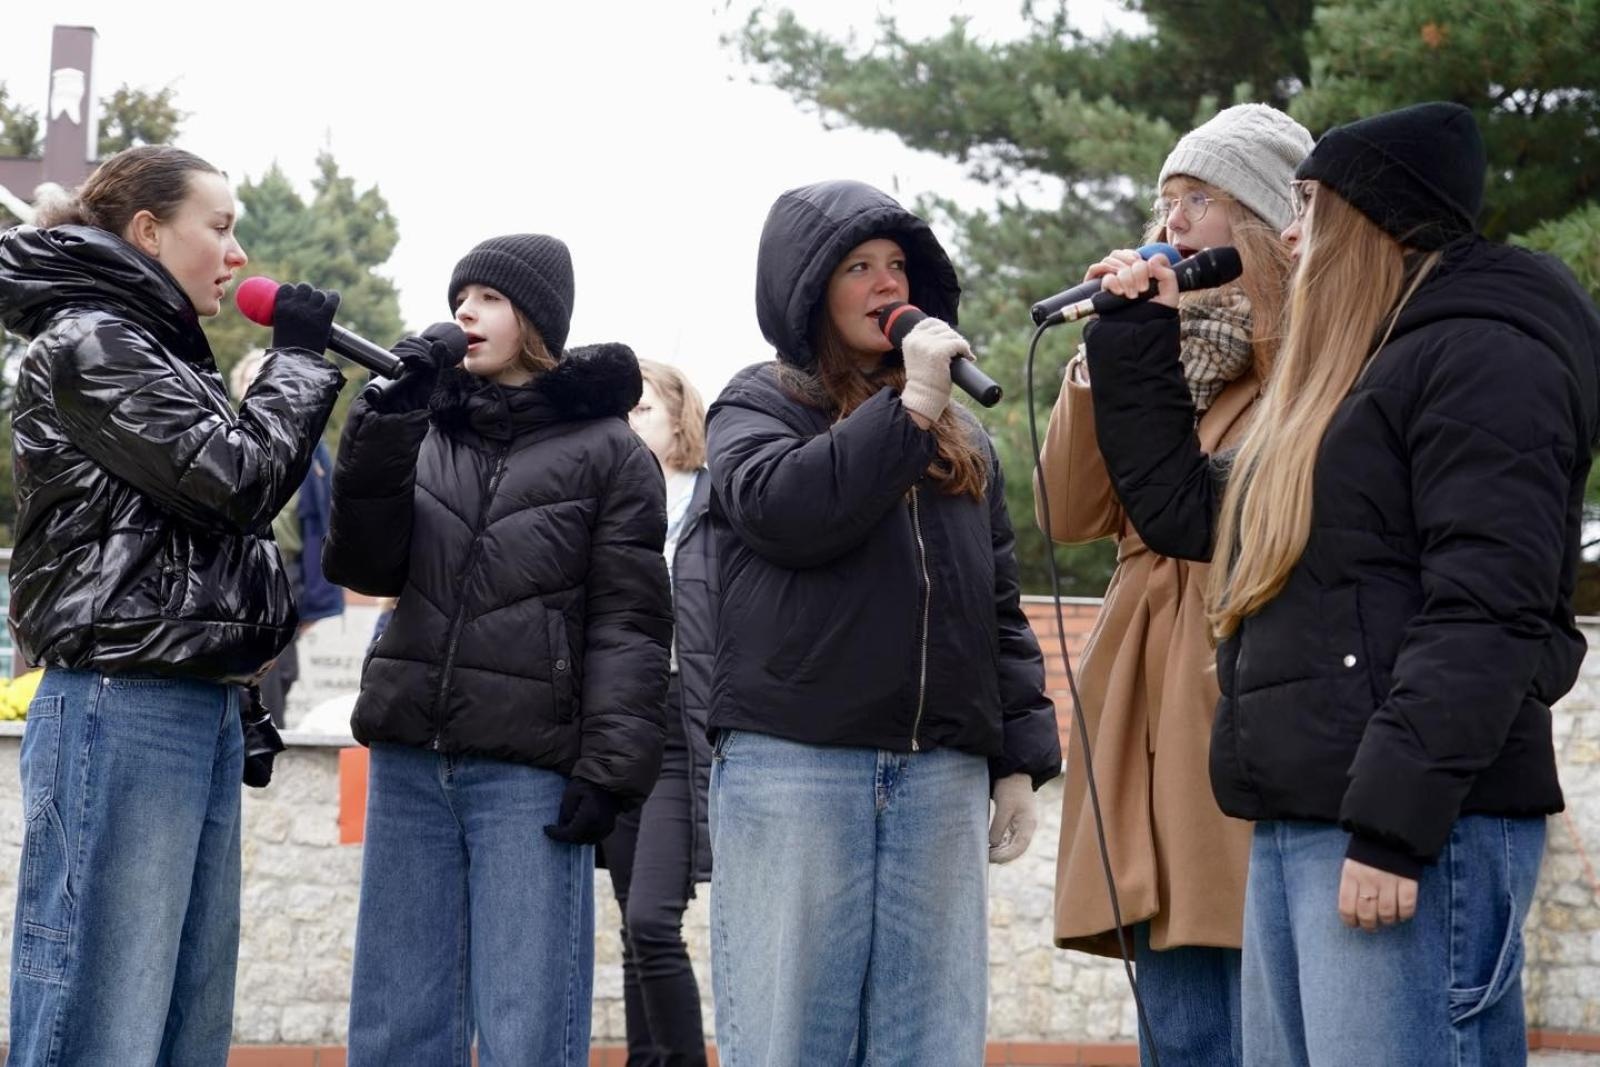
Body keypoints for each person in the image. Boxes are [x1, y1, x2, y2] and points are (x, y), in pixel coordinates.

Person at [1082, 102, 1600, 1066]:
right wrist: (1136, 340)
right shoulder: (1355, 381)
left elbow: (1487, 609)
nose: (1287, 230)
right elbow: (1197, 517)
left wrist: (1394, 829)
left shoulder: (1485, 354)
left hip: (1405, 831)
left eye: (1310, 206)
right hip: (1305, 820)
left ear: (1376, 221)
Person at [0, 144, 346, 1064]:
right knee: (103, 1016)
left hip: (188, 704)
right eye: (221, 227)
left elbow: (207, 540)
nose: (238, 255)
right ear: (149, 232)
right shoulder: (91, 343)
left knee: (185, 1026)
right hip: (122, 702)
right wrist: (299, 362)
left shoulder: (157, 354)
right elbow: (236, 481)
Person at [706, 179, 1061, 1066]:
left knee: (930, 1043)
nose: (883, 284)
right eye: (857, 267)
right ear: (808, 289)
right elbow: (790, 512)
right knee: (792, 1040)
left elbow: (997, 606)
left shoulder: (965, 439)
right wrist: (907, 411)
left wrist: (1017, 756)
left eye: (897, 266)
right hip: (798, 768)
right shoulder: (757, 403)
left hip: (937, 777)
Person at [323, 233, 672, 1066]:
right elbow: (362, 563)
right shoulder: (424, 426)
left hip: (528, 773)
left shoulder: (612, 453)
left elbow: (630, 623)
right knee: (395, 1022)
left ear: (538, 321)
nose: (464, 313)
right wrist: (383, 418)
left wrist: (609, 771)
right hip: (410, 758)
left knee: (528, 1024)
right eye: (459, 297)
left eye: (488, 298)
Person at [1035, 104, 1311, 1067]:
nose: (1175, 220)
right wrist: (1103, 359)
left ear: (1271, 219)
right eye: (1167, 199)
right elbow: (1070, 510)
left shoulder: (1309, 355)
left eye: (1202, 199)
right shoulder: (1163, 353)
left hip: (1229, 696)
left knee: (1242, 976)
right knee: (1178, 989)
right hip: (1142, 709)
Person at [599, 357, 715, 1067]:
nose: (628, 424)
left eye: (640, 409)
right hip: (618, 725)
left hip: (681, 724)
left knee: (651, 920)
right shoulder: (606, 503)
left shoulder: (715, 498)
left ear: (679, 416)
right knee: (628, 928)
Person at [231, 348, 346, 726]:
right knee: (257, 673)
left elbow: (327, 523)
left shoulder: (310, 447)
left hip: (288, 572)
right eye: (256, 379)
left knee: (284, 670)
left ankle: (269, 741)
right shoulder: (226, 436)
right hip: (240, 569)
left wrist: (318, 599)